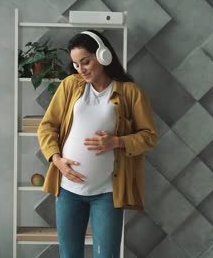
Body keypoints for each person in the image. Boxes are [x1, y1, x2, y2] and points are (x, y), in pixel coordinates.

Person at [37, 30, 157, 258]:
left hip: (107, 193)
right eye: (76, 64)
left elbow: (149, 136)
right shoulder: (70, 85)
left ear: (103, 56)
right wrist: (57, 160)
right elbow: (47, 126)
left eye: (86, 61)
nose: (81, 69)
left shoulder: (130, 92)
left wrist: (117, 141)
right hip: (68, 191)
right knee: (69, 255)